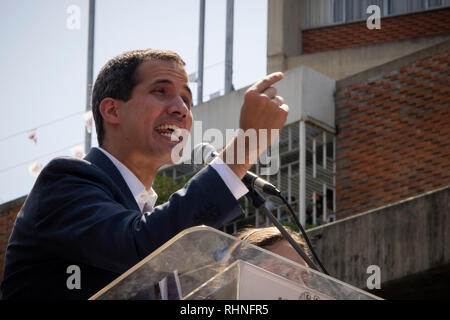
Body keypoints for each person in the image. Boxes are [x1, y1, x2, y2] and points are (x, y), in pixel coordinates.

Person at [1, 49, 288, 299]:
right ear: (112, 110)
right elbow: (138, 249)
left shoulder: (150, 217)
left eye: (187, 99)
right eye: (160, 91)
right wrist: (246, 146)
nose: (181, 109)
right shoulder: (66, 181)